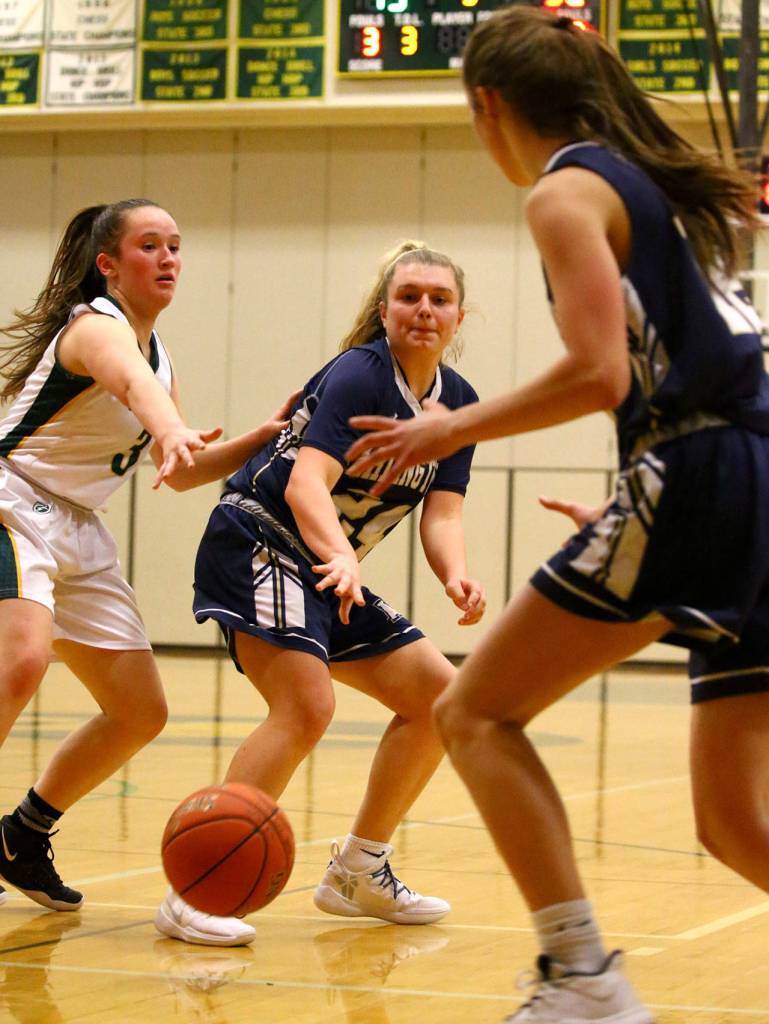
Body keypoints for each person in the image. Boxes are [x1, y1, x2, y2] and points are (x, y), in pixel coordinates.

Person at [344, 9, 769, 1022]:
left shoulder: (566, 190)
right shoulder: (650, 186)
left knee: (471, 709)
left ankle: (582, 977)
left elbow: (595, 371)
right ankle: (584, 980)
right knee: (732, 819)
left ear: (486, 106)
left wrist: (442, 431)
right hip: (741, 479)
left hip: (701, 473)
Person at [155, 240, 487, 947]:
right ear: (385, 309)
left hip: (328, 563)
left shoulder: (458, 405)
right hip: (259, 535)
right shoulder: (359, 374)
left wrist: (454, 573)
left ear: (461, 315)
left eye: (439, 298)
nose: (423, 309)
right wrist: (341, 555)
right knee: (306, 703)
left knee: (439, 701)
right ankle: (193, 891)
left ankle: (358, 871)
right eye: (409, 296)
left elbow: (444, 510)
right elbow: (307, 483)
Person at [0, 199, 293, 914]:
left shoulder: (159, 353)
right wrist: (169, 426)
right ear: (108, 265)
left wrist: (261, 436)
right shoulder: (94, 328)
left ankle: (20, 836)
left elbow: (182, 468)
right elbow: (139, 396)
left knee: (139, 711)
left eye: (175, 246)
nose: (167, 258)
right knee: (21, 658)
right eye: (149, 246)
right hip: (14, 497)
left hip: (78, 525)